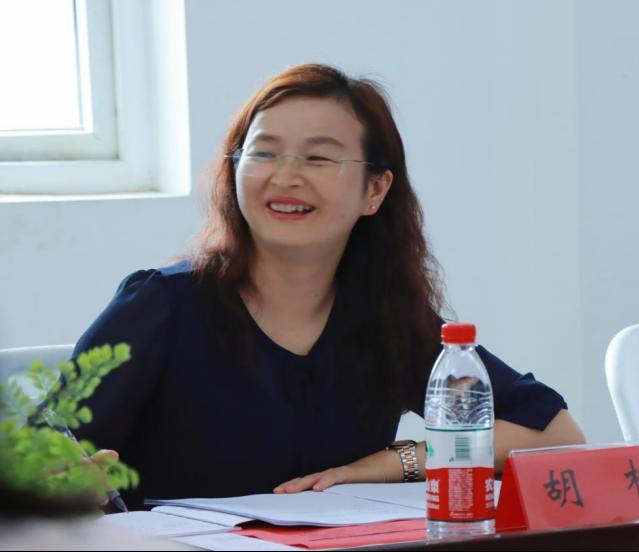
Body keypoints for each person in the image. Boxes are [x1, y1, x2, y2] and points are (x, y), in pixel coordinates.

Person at [72, 64, 585, 509]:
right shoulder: (160, 306)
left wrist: (396, 462)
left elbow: (555, 434)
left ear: (375, 190)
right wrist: (69, 485)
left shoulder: (385, 317)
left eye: (318, 158)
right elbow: (44, 459)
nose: (286, 177)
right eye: (264, 153)